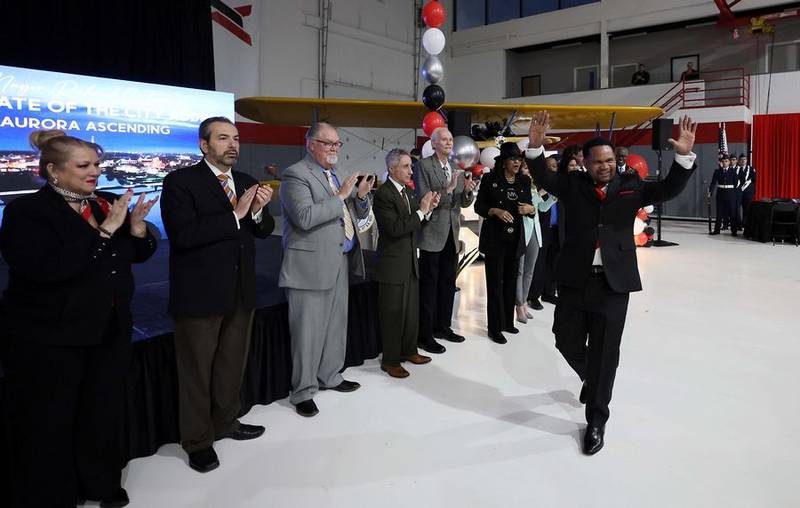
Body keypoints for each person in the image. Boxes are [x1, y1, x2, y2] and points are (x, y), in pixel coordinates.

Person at [0, 130, 157, 506]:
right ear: (52, 170)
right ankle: (57, 491)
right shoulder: (26, 212)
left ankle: (101, 482)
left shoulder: (104, 203)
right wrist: (104, 234)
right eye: (84, 166)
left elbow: (133, 255)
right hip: (53, 336)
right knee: (52, 418)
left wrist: (137, 232)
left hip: (109, 328)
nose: (95, 173)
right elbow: (48, 269)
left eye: (98, 165)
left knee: (101, 411)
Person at [527, 111, 697, 455]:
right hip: (575, 279)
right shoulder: (572, 185)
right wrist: (533, 146)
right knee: (564, 339)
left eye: (609, 160)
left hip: (613, 283)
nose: (605, 166)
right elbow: (543, 177)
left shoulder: (630, 186)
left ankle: (596, 421)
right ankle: (592, 376)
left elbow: (668, 188)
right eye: (598, 161)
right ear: (585, 163)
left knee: (606, 353)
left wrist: (683, 156)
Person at [160, 117, 275, 473]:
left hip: (240, 293)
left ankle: (226, 422)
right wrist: (237, 215)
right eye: (223, 138)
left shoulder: (246, 182)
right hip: (199, 296)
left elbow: (265, 228)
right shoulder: (180, 182)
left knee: (230, 365)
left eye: (236, 138)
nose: (233, 145)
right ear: (204, 145)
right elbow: (183, 235)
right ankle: (197, 441)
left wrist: (256, 214)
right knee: (196, 372)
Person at [279, 122, 374, 417]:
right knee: (307, 333)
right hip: (309, 266)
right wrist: (342, 196)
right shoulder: (295, 175)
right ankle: (303, 391)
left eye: (337, 144)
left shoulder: (332, 176)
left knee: (335, 325)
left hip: (338, 261)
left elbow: (343, 214)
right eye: (327, 143)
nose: (334, 148)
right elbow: (305, 217)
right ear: (310, 144)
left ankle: (330, 376)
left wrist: (358, 197)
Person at [373, 149, 439, 378]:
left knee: (411, 312)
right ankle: (390, 361)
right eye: (406, 166)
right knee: (392, 315)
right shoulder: (384, 195)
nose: (411, 170)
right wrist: (422, 211)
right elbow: (395, 229)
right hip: (392, 265)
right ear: (392, 168)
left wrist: (427, 210)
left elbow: (414, 223)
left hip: (410, 261)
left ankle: (410, 351)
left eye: (410, 166)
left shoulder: (408, 193)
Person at [414, 127, 477, 353]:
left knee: (448, 284)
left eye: (451, 139)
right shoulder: (423, 166)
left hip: (452, 235)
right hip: (432, 235)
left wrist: (467, 191)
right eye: (444, 139)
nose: (449, 142)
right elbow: (425, 199)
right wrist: (449, 189)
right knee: (429, 287)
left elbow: (461, 203)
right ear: (433, 143)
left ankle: (443, 327)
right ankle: (425, 334)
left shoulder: (454, 168)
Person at [474, 142, 535, 344]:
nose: (517, 162)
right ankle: (494, 328)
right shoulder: (490, 179)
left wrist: (530, 209)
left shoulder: (524, 181)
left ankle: (508, 322)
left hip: (515, 238)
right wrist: (494, 210)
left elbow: (531, 207)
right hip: (495, 239)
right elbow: (479, 206)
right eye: (513, 159)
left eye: (519, 159)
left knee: (510, 281)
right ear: (503, 162)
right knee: (495, 284)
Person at [515, 158, 556, 323]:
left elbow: (542, 208)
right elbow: (525, 207)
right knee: (519, 270)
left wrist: (553, 197)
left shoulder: (534, 187)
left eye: (530, 170)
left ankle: (524, 301)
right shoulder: (519, 186)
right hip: (521, 231)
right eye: (526, 169)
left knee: (529, 270)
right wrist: (540, 195)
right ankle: (518, 304)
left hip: (535, 232)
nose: (529, 172)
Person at [708, 153, 739, 236]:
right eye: (723, 161)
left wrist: (733, 193)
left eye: (726, 161)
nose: (725, 163)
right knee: (719, 213)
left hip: (730, 194)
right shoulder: (717, 171)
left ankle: (734, 230)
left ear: (729, 162)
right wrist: (710, 191)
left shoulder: (733, 171)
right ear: (721, 162)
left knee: (732, 213)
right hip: (721, 193)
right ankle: (717, 230)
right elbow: (713, 182)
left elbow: (736, 183)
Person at [737, 153, 757, 223]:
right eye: (741, 160)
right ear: (739, 161)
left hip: (748, 192)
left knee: (747, 209)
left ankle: (745, 223)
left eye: (744, 159)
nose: (743, 161)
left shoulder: (751, 169)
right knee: (737, 208)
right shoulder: (736, 169)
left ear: (746, 160)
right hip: (739, 192)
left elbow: (754, 179)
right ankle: (738, 224)